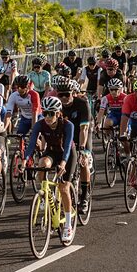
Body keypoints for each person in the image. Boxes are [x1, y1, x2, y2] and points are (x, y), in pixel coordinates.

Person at [25, 96, 77, 241]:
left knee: (63, 188)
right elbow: (31, 144)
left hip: (68, 154)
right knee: (42, 163)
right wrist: (25, 159)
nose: (47, 117)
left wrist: (64, 163)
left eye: (51, 113)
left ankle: (67, 225)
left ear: (59, 113)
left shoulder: (68, 125)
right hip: (52, 151)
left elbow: (67, 147)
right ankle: (44, 195)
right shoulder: (40, 124)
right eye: (45, 113)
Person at [53, 75, 92, 214]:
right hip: (66, 138)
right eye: (60, 95)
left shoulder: (82, 104)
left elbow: (84, 129)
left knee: (83, 162)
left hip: (82, 135)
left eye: (67, 94)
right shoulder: (56, 105)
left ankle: (85, 196)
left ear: (73, 93)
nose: (64, 98)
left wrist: (82, 148)